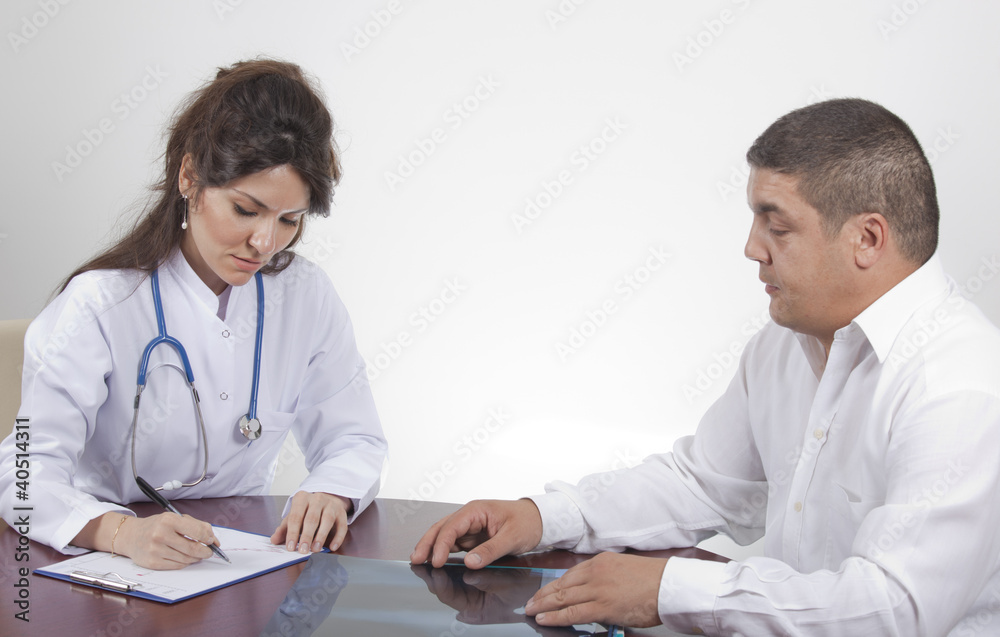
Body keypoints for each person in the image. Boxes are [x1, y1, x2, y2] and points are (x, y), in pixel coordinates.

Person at [412, 98, 1000, 635]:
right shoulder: (784, 346)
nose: (752, 247)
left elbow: (894, 610)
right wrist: (543, 517)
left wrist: (670, 591)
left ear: (867, 239)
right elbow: (701, 483)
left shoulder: (959, 386)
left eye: (777, 225)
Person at [0, 59, 387, 570]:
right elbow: (22, 476)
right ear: (189, 177)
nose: (265, 242)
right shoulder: (99, 304)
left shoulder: (305, 295)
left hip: (239, 561)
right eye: (246, 210)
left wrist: (331, 491)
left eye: (290, 220)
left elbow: (354, 437)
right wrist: (121, 533)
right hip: (111, 565)